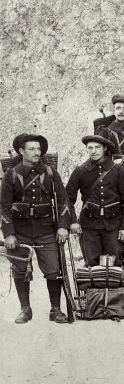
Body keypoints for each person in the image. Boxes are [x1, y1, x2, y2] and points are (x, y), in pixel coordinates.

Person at [0, 134, 71, 324]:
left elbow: (63, 201)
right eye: (32, 149)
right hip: (20, 230)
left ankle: (56, 310)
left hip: (46, 229)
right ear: (22, 151)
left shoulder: (49, 173)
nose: (37, 152)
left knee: (53, 270)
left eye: (39, 149)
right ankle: (25, 309)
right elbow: (4, 207)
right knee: (19, 269)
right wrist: (9, 233)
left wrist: (63, 227)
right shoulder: (11, 174)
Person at [65, 135, 124, 267]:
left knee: (115, 265)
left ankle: (113, 288)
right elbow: (67, 199)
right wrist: (73, 221)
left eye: (97, 147)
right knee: (91, 265)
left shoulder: (117, 170)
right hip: (89, 225)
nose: (93, 151)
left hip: (113, 225)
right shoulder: (80, 171)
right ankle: (94, 289)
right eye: (90, 148)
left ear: (105, 148)